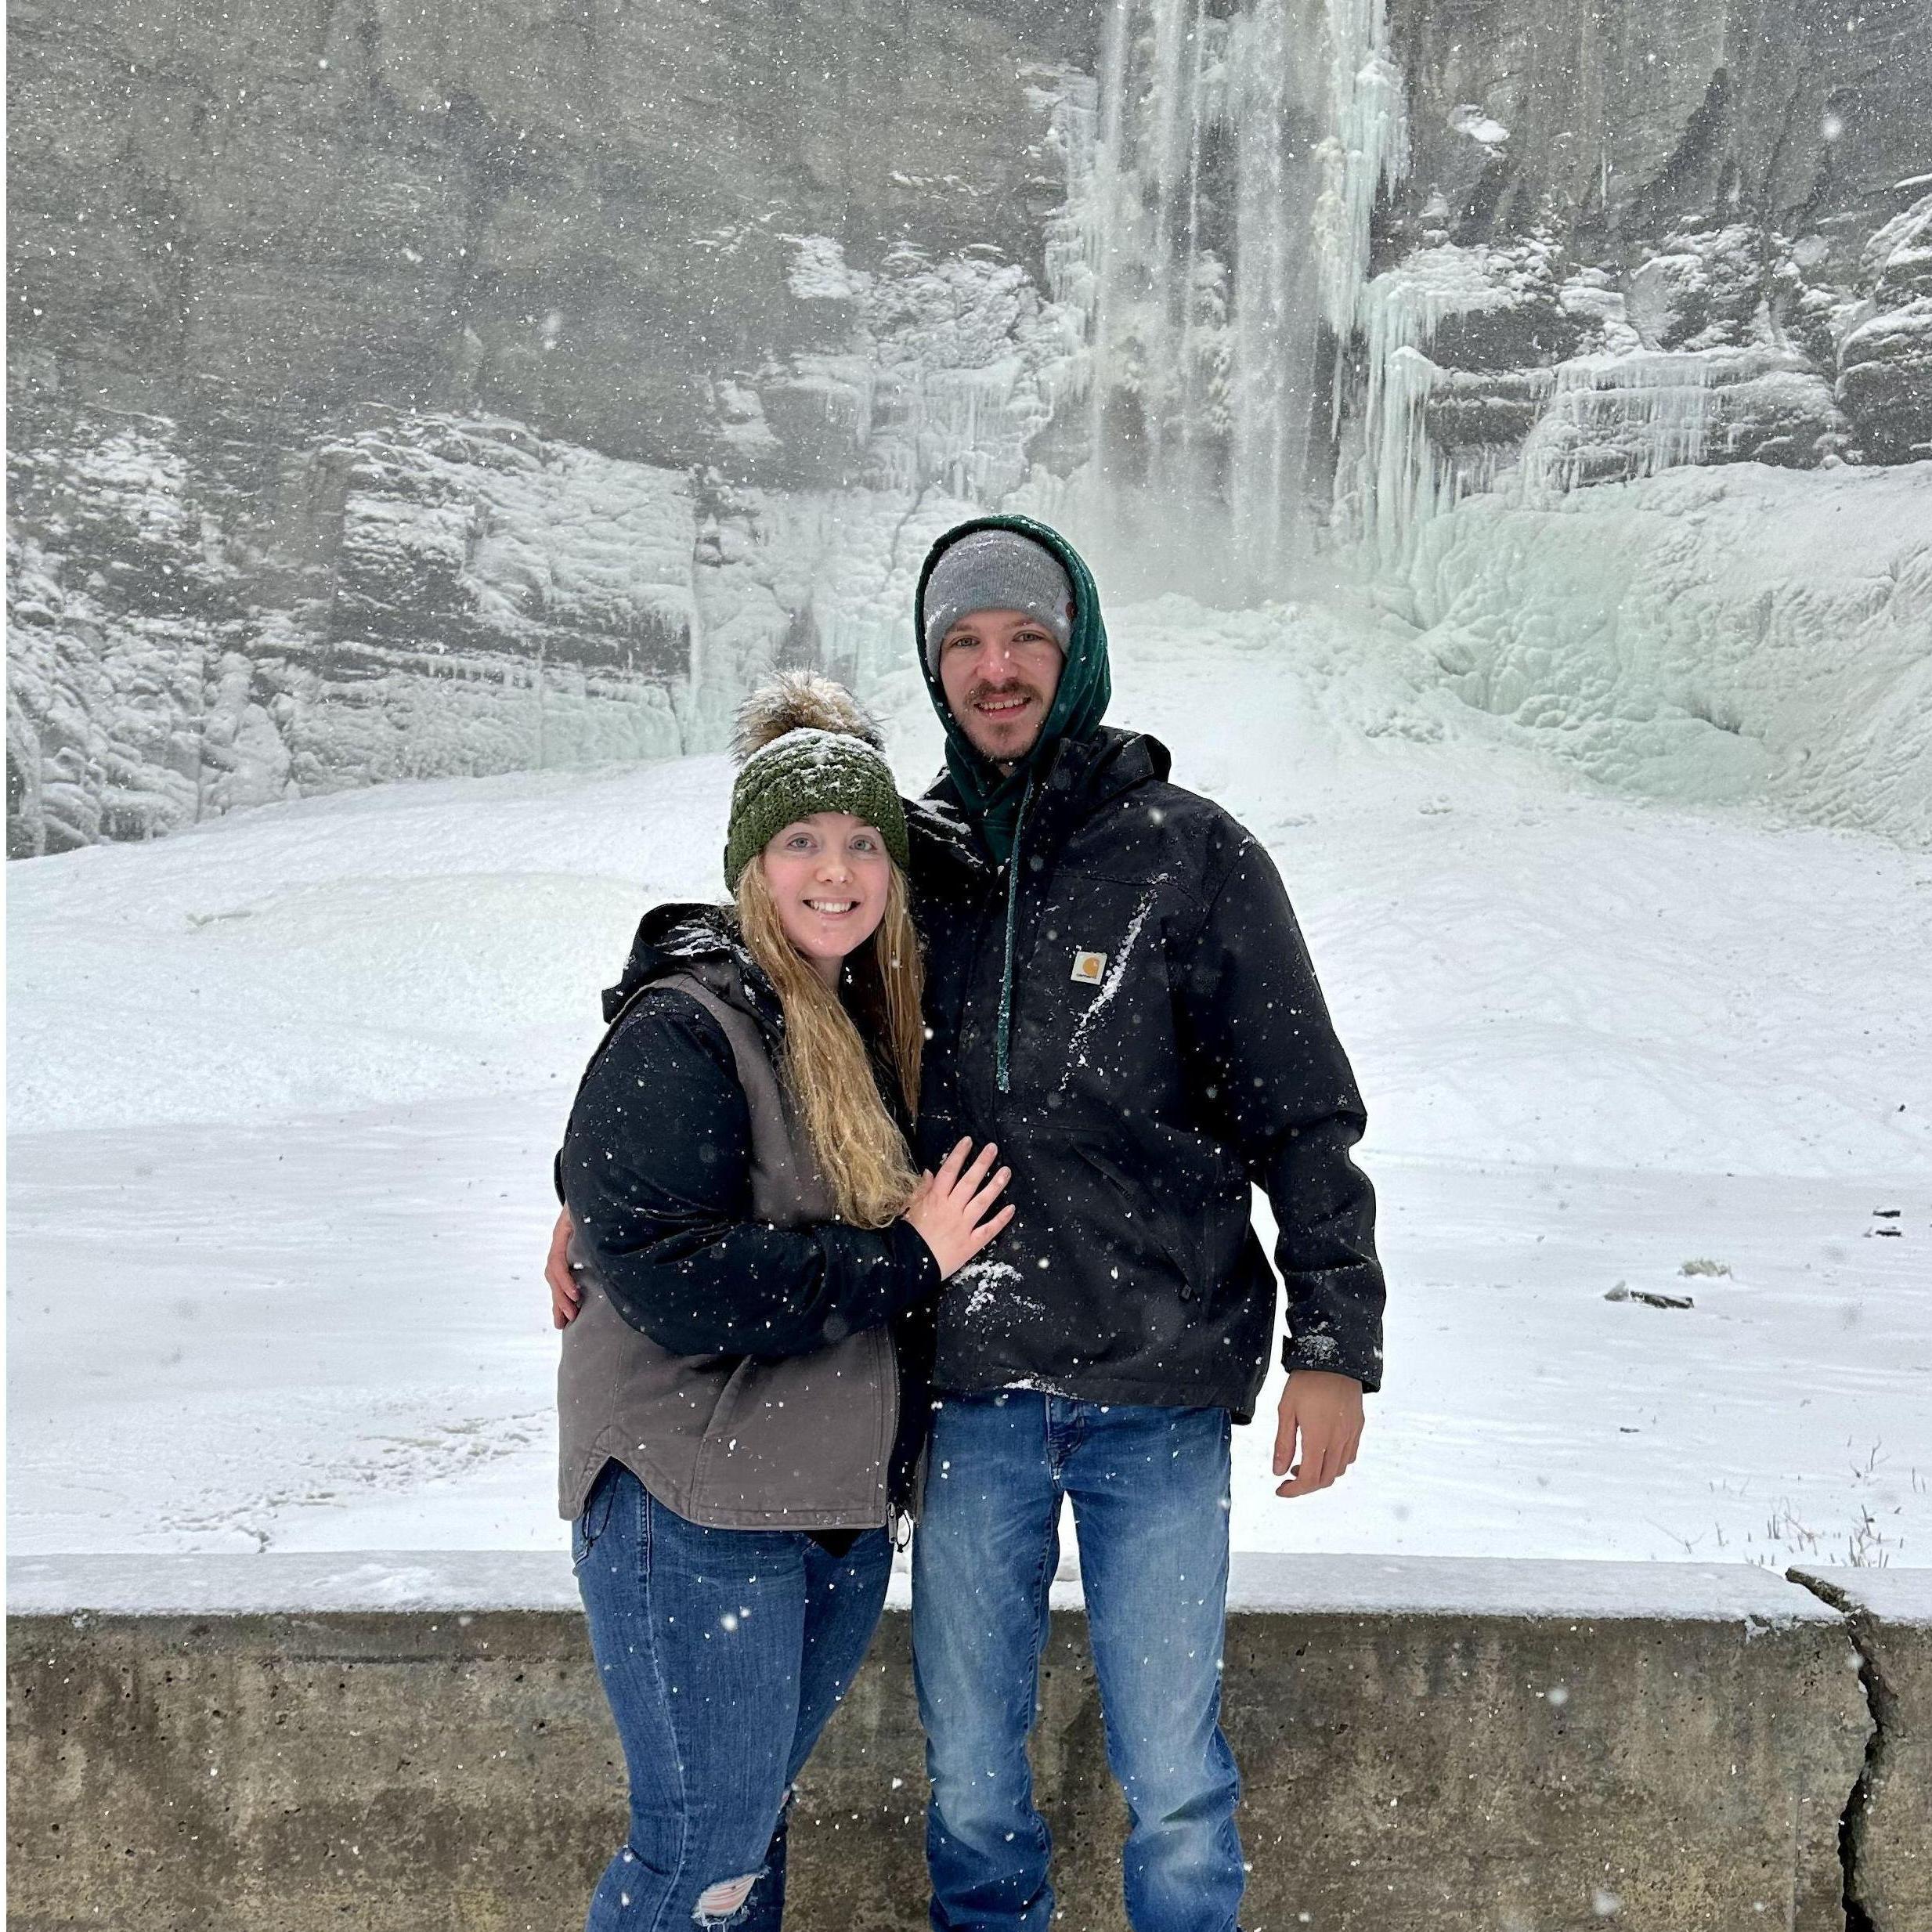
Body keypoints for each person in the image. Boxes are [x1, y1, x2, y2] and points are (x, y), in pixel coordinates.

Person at [551, 518, 1385, 1932]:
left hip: (1159, 1388)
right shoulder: (907, 860)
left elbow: (1302, 1116)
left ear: (1077, 652)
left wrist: (1335, 1344)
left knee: (1176, 1773)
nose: (997, 669)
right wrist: (589, 1186)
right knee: (973, 1780)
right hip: (968, 1394)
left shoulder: (1191, 857)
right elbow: (740, 967)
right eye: (965, 645)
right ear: (938, 672)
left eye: (1026, 640)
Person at [554, 673, 1012, 1932]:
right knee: (699, 1852)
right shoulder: (692, 1023)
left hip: (822, 1506)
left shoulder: (861, 1014)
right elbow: (672, 1272)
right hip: (694, 1505)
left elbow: (630, 1191)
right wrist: (904, 1263)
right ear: (750, 866)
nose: (836, 869)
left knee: (743, 1843)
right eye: (802, 841)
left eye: (865, 842)